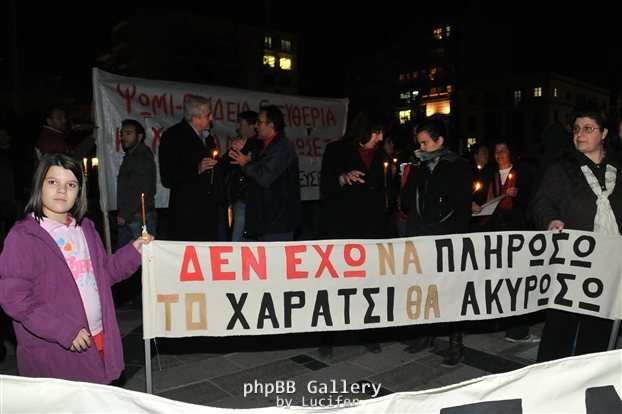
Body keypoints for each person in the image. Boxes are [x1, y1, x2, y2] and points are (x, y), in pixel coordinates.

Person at [0, 153, 153, 384]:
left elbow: (104, 272)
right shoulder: (23, 237)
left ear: (79, 191)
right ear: (39, 185)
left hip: (96, 336)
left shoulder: (85, 229)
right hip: (56, 348)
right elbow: (15, 299)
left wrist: (133, 252)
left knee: (97, 396)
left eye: (71, 184)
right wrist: (63, 329)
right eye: (53, 182)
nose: (62, 190)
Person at [530, 104, 620, 363]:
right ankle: (550, 375)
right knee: (560, 327)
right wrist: (550, 220)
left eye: (588, 128)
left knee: (598, 327)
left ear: (603, 133)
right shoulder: (562, 168)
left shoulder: (617, 169)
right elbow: (542, 201)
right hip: (572, 263)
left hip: (608, 263)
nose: (580, 134)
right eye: (577, 129)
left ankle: (588, 375)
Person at [317, 109, 393, 357]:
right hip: (340, 230)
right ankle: (327, 338)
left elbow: (383, 194)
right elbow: (325, 187)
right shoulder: (336, 150)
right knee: (334, 286)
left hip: (370, 232)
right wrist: (342, 178)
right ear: (363, 130)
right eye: (376, 132)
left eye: (382, 133)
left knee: (368, 286)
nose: (380, 138)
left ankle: (368, 333)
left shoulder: (381, 155)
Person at [399, 117, 472, 367]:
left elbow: (463, 208)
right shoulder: (420, 165)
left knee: (449, 290)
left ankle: (455, 342)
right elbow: (406, 201)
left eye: (425, 143)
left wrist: (457, 240)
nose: (421, 148)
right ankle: (425, 334)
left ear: (439, 140)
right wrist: (415, 168)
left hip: (446, 236)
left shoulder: (457, 165)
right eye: (419, 143)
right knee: (423, 288)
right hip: (420, 235)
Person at [472, 140, 540, 343]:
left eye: (504, 150)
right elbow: (478, 196)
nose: (500, 153)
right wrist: (473, 203)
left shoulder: (523, 174)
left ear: (511, 153)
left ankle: (516, 330)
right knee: (493, 278)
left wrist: (519, 196)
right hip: (491, 233)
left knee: (515, 280)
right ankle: (493, 322)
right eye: (496, 150)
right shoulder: (488, 174)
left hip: (515, 233)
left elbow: (533, 201)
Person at [228, 104, 301, 241]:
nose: (256, 126)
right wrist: (249, 161)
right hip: (268, 219)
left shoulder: (280, 147)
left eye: (259, 123)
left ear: (271, 126)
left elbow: (264, 177)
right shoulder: (268, 146)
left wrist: (246, 164)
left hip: (277, 222)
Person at [158, 95, 222, 241]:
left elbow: (215, 168)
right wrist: (196, 169)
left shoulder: (207, 138)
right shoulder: (173, 136)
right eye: (208, 115)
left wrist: (233, 153)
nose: (211, 118)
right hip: (187, 215)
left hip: (208, 214)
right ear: (195, 118)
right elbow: (167, 175)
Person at [114, 118, 157, 307]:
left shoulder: (141, 157)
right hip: (132, 214)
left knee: (143, 258)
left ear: (140, 137)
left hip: (138, 215)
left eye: (129, 133)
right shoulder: (132, 156)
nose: (124, 137)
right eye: (122, 134)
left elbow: (140, 187)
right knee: (125, 257)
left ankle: (143, 297)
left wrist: (125, 212)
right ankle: (129, 295)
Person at [218, 110, 263, 241]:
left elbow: (259, 172)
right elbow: (222, 167)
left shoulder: (260, 146)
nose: (237, 127)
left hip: (246, 198)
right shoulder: (241, 144)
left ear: (252, 125)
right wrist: (233, 151)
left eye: (240, 123)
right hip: (238, 197)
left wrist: (247, 162)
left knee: (239, 238)